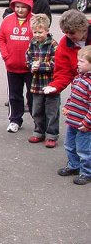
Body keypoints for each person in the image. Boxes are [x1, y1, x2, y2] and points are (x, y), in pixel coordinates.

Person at [0, 0, 34, 133]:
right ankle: (14, 120)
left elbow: (42, 39)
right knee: (14, 95)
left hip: (31, 68)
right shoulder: (7, 20)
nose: (20, 9)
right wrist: (6, 56)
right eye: (17, 6)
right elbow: (1, 38)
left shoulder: (35, 20)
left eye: (23, 7)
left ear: (29, 7)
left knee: (33, 96)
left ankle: (38, 121)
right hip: (12, 66)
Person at [56, 45, 91, 185]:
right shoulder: (78, 78)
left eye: (81, 61)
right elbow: (73, 95)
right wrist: (68, 106)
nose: (78, 63)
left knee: (84, 149)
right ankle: (74, 166)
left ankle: (86, 172)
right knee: (70, 145)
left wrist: (87, 123)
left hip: (84, 124)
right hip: (73, 121)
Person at [25, 14, 60, 147]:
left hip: (51, 84)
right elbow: (27, 58)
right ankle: (39, 131)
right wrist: (30, 65)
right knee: (37, 109)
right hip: (36, 85)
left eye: (40, 32)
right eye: (35, 32)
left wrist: (40, 66)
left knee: (52, 111)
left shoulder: (53, 44)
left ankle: (51, 135)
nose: (37, 35)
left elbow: (56, 63)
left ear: (47, 30)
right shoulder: (32, 43)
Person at [43, 10, 91, 95]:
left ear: (83, 28)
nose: (68, 36)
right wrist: (55, 86)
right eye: (65, 32)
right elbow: (63, 72)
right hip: (81, 89)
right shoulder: (64, 44)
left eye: (72, 33)